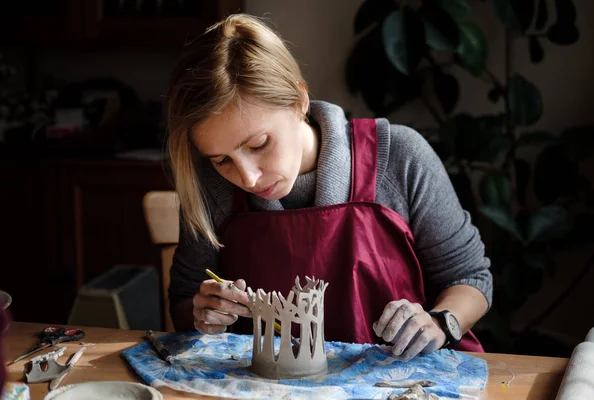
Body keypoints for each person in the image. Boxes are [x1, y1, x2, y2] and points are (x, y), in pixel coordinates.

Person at [166, 13, 492, 361]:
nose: (247, 179)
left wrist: (441, 323)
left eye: (259, 144)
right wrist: (205, 313)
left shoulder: (400, 157)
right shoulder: (211, 186)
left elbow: (470, 277)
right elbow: (185, 301)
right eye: (221, 159)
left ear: (298, 102)